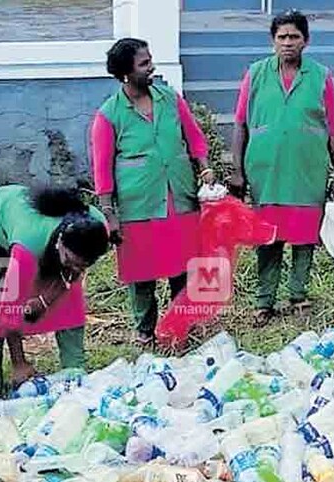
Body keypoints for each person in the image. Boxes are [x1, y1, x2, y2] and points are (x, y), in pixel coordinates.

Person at [91, 37, 215, 345]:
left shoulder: (170, 99)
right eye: (144, 63)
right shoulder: (108, 115)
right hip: (138, 206)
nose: (152, 67)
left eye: (150, 60)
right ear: (125, 73)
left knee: (182, 266)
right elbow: (102, 169)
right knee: (141, 273)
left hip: (179, 197)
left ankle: (180, 325)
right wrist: (109, 213)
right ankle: (145, 331)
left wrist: (205, 169)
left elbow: (195, 139)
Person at [228, 10, 334, 327]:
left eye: (294, 36)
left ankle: (298, 294)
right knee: (268, 237)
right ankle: (264, 301)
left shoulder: (321, 76)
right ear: (273, 42)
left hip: (308, 169)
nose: (288, 43)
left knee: (305, 235)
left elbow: (333, 129)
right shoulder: (255, 74)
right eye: (282, 37)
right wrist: (237, 170)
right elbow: (240, 125)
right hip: (265, 171)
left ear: (305, 41)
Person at [0, 184, 109, 391]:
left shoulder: (96, 228)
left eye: (84, 264)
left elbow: (71, 276)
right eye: (71, 260)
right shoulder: (27, 249)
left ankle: (76, 371)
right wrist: (19, 363)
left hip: (41, 238)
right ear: (61, 242)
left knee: (71, 302)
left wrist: (45, 301)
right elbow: (9, 308)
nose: (77, 268)